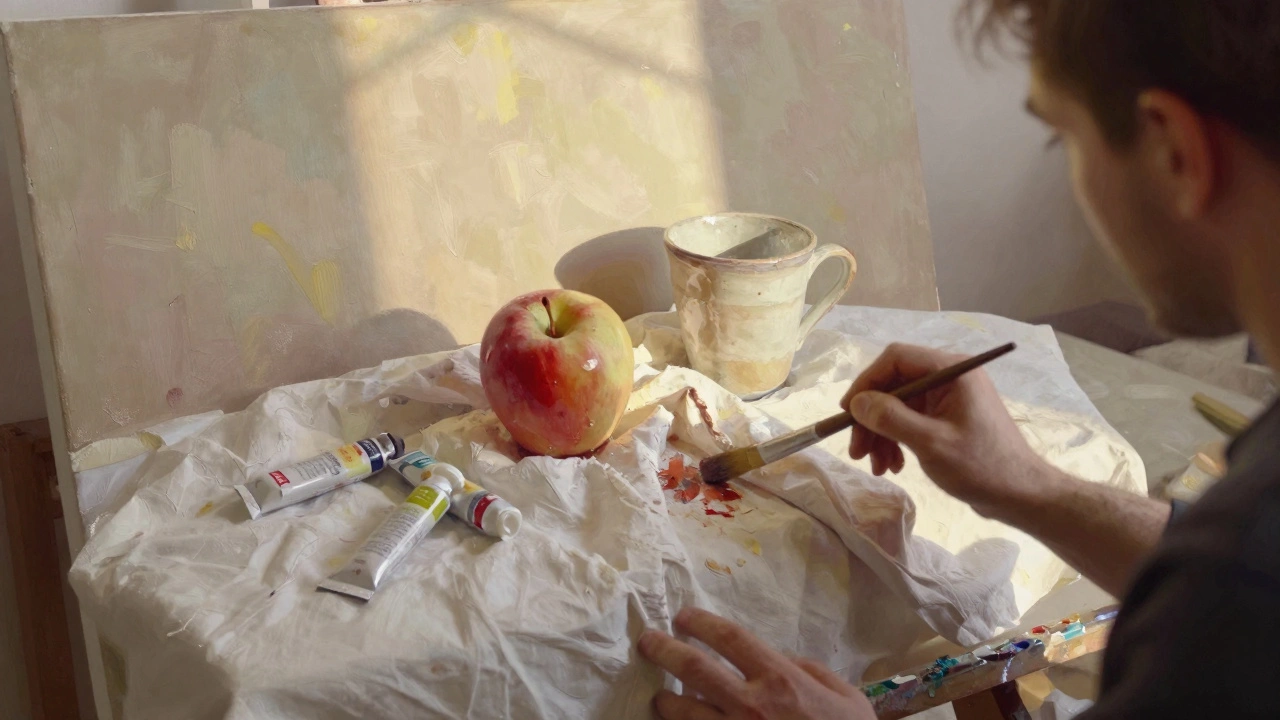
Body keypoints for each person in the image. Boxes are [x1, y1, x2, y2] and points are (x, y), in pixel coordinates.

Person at [638, 0, 1280, 717]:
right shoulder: (1242, 544)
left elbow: (1240, 590)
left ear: (1175, 153)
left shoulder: (1233, 598)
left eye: (1061, 138)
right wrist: (1028, 485)